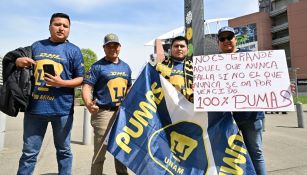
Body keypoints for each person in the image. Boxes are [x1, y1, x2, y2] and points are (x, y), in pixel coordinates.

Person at [15, 13, 84, 175]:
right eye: (57, 24)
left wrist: (62, 83)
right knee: (29, 154)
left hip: (62, 111)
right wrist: (18, 62)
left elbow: (81, 79)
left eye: (65, 26)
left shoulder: (73, 50)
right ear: (49, 26)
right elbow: (21, 64)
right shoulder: (36, 46)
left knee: (64, 152)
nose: (61, 28)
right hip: (35, 110)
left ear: (69, 30)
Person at [217, 26, 266, 175]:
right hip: (225, 119)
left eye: (229, 37)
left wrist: (282, 87)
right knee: (227, 156)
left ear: (235, 39)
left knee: (255, 153)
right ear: (218, 42)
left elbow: (266, 81)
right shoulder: (213, 63)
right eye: (222, 38)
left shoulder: (249, 57)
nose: (226, 41)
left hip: (251, 116)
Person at [82, 33, 131, 175]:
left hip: (121, 113)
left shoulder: (126, 67)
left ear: (120, 47)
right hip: (103, 112)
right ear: (104, 48)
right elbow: (86, 87)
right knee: (100, 153)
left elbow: (128, 87)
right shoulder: (97, 66)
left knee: (121, 151)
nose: (112, 48)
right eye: (109, 46)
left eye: (115, 45)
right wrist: (88, 103)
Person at [156, 36, 193, 102]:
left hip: (190, 109)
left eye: (182, 46)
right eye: (176, 46)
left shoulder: (196, 67)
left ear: (187, 50)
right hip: (166, 108)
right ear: (171, 49)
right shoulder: (159, 67)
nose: (179, 48)